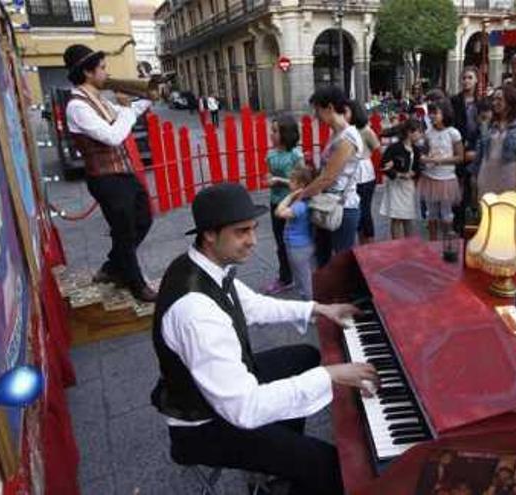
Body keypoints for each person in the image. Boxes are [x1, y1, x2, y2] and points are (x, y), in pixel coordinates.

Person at [153, 183, 378, 495]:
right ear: (209, 234)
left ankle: (277, 464)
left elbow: (254, 305)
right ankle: (287, 466)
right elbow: (244, 409)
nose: (253, 241)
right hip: (204, 426)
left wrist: (319, 309)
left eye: (254, 229)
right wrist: (330, 376)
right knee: (327, 465)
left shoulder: (200, 263)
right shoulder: (196, 312)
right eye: (241, 232)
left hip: (217, 393)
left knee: (305, 356)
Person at [62, 44, 157, 302]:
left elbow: (126, 115)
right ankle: (135, 283)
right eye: (102, 68)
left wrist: (149, 96)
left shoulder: (98, 99)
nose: (107, 73)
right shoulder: (77, 106)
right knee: (124, 231)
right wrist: (126, 109)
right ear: (87, 72)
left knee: (144, 220)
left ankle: (112, 267)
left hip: (122, 175)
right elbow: (113, 136)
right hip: (106, 179)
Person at [301, 86, 364, 266]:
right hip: (328, 204)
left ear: (329, 108)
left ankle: (342, 294)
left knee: (340, 263)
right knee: (324, 258)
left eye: (317, 110)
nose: (316, 116)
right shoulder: (337, 134)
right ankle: (326, 293)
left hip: (342, 209)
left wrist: (301, 196)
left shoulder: (347, 138)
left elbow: (328, 178)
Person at [264, 115, 304, 295]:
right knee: (280, 242)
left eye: (275, 131)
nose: (271, 134)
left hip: (292, 204)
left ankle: (300, 274)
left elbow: (302, 182)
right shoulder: (270, 154)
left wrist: (278, 180)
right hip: (275, 202)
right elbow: (268, 175)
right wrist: (268, 180)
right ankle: (285, 277)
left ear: (286, 133)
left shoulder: (296, 155)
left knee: (295, 240)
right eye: (272, 130)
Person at [475, 85, 516, 196]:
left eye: (499, 99)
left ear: (510, 101)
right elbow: (481, 151)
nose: (495, 103)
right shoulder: (488, 124)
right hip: (487, 173)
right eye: (494, 99)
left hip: (510, 175)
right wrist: (474, 176)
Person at [419, 100, 464, 240]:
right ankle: (432, 243)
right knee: (430, 213)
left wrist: (440, 161)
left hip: (446, 178)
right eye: (430, 113)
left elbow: (460, 157)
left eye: (435, 113)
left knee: (446, 213)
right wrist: (425, 158)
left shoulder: (453, 133)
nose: (432, 116)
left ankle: (447, 244)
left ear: (445, 113)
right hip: (430, 177)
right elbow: (424, 153)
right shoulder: (428, 133)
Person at [379, 119, 424, 239]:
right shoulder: (394, 148)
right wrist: (399, 174)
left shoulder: (416, 150)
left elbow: (418, 167)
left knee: (408, 217)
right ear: (410, 132)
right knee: (396, 217)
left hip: (408, 186)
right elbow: (383, 165)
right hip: (395, 185)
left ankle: (408, 245)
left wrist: (414, 173)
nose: (420, 134)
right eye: (419, 131)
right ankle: (397, 245)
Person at [275, 168, 316, 300]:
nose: (289, 183)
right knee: (300, 276)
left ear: (301, 186)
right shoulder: (303, 202)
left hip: (299, 246)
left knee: (304, 278)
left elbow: (279, 212)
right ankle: (304, 301)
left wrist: (290, 196)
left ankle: (310, 306)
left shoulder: (300, 205)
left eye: (292, 181)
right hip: (297, 244)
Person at [451, 67, 483, 231]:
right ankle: (458, 220)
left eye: (470, 78)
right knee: (458, 185)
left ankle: (470, 220)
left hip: (476, 148)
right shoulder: (454, 100)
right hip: (458, 147)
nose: (466, 81)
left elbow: (484, 128)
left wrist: (476, 149)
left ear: (476, 80)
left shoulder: (482, 102)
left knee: (472, 186)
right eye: (464, 78)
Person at [345, 100, 380, 245]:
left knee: (364, 210)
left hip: (363, 172)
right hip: (350, 171)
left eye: (346, 111)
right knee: (354, 209)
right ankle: (360, 243)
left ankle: (369, 244)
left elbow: (377, 147)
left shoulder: (365, 130)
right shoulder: (345, 130)